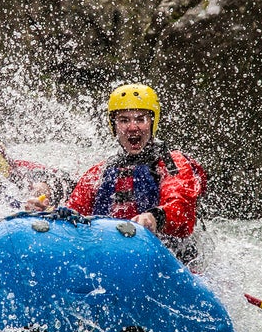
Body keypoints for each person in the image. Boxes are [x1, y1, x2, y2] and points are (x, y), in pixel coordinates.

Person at [64, 83, 207, 264]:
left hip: (171, 259)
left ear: (152, 123)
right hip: (114, 257)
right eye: (124, 120)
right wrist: (46, 211)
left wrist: (154, 217)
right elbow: (73, 213)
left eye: (141, 119)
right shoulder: (100, 171)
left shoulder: (172, 163)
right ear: (114, 126)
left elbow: (180, 205)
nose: (132, 127)